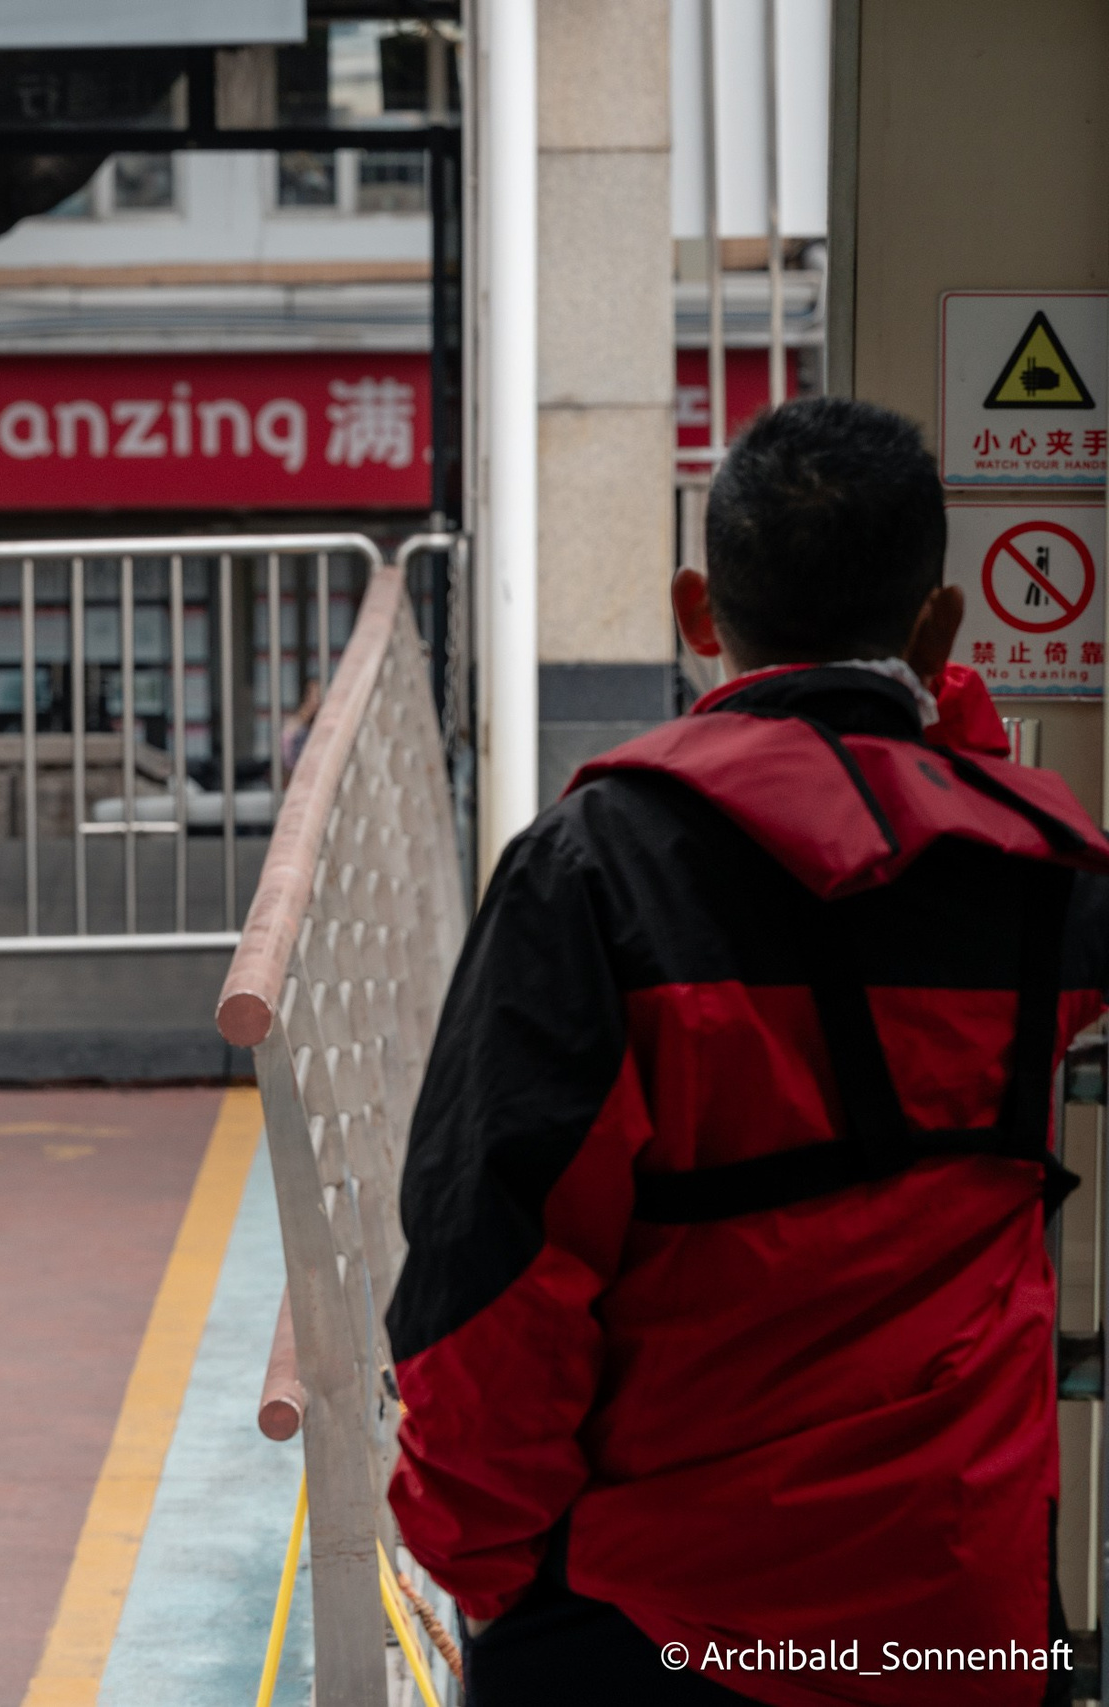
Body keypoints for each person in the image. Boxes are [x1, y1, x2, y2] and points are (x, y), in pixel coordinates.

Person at [386, 397, 1109, 1707]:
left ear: (696, 609)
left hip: (650, 1618)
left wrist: (487, 1561)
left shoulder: (593, 870)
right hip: (959, 1613)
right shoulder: (1042, 877)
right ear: (940, 626)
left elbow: (486, 1262)